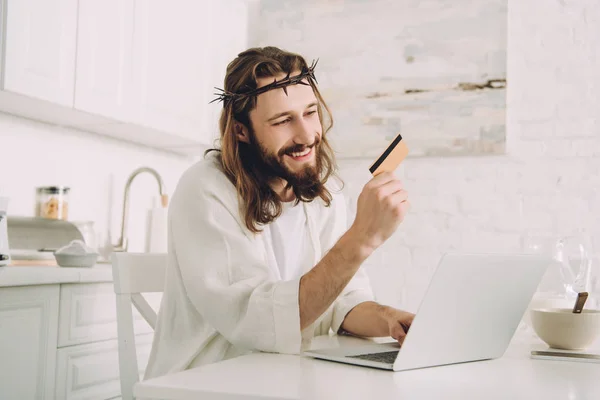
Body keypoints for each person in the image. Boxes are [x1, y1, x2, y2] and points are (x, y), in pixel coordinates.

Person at [144, 46, 413, 379]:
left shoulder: (320, 197)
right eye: (283, 120)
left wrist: (389, 318)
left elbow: (338, 302)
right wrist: (361, 239)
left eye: (311, 112)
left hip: (284, 378)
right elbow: (255, 322)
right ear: (241, 131)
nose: (306, 136)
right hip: (204, 381)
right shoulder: (204, 189)